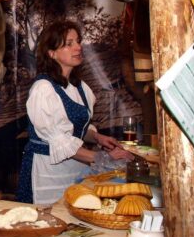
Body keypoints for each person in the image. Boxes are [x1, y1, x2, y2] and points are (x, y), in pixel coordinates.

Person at [16, 20, 132, 204]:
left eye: (78, 41)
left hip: (75, 167)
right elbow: (59, 140)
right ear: (52, 53)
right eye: (69, 44)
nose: (78, 47)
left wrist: (97, 138)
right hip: (47, 172)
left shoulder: (80, 87)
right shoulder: (43, 89)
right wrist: (103, 158)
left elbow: (73, 130)